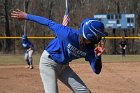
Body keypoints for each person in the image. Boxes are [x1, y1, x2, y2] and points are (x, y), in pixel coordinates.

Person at [11, 9, 108, 93]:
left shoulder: (90, 49)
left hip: (64, 67)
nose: (100, 38)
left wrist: (98, 57)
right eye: (99, 36)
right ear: (91, 36)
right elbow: (47, 22)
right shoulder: (67, 33)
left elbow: (96, 70)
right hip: (48, 63)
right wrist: (26, 16)